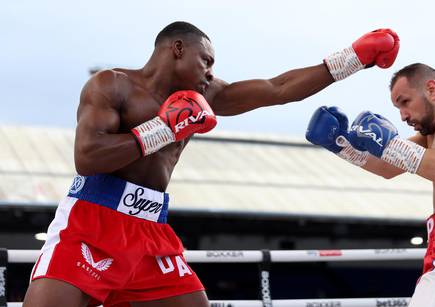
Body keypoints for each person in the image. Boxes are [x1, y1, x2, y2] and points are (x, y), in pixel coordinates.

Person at [22, 22, 399, 307]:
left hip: (150, 231)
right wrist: (162, 129)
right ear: (177, 49)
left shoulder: (207, 94)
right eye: (206, 61)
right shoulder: (112, 85)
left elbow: (277, 89)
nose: (210, 73)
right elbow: (86, 158)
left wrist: (353, 58)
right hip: (93, 220)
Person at [306, 63, 435, 307]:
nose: (402, 115)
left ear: (432, 89)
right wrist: (341, 145)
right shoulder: (433, 133)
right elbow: (387, 167)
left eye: (405, 102)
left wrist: (390, 144)